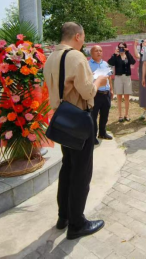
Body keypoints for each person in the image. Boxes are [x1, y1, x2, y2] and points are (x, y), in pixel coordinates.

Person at [45, 22, 109, 240]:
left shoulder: (51, 57)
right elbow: (87, 92)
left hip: (62, 119)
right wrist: (99, 81)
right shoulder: (76, 57)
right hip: (79, 119)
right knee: (81, 172)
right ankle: (77, 223)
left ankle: (63, 216)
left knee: (68, 167)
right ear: (78, 36)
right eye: (83, 37)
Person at [89, 46, 114, 142]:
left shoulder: (105, 64)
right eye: (96, 51)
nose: (99, 52)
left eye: (100, 51)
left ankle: (102, 133)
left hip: (106, 93)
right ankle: (93, 136)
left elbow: (109, 77)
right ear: (91, 53)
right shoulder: (87, 65)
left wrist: (111, 89)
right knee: (93, 116)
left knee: (105, 114)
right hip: (95, 93)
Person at [108, 42, 136, 123]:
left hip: (127, 77)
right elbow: (110, 62)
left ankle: (126, 115)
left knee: (127, 97)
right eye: (119, 47)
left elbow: (133, 62)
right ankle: (120, 115)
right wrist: (114, 54)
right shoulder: (116, 56)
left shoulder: (127, 55)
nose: (121, 48)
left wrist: (128, 52)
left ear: (125, 47)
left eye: (123, 47)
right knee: (119, 97)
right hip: (118, 77)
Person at [133, 39, 146, 121]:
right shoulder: (142, 52)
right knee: (143, 91)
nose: (143, 43)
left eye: (145, 42)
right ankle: (145, 111)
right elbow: (137, 55)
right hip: (142, 74)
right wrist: (135, 45)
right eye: (142, 42)